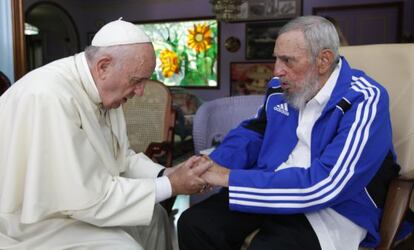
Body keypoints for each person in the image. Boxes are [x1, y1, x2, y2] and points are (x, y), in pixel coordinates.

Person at [178, 16, 401, 250]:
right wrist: (212, 164)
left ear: (324, 60)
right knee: (194, 224)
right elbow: (254, 133)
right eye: (276, 58)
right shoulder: (279, 87)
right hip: (271, 184)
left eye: (287, 61)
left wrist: (227, 177)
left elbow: (327, 184)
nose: (276, 71)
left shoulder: (364, 98)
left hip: (334, 206)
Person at [0, 19, 211, 250]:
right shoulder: (49, 97)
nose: (141, 92)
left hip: (76, 206)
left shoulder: (103, 92)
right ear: (103, 66)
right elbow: (86, 197)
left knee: (156, 217)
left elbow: (120, 157)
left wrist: (168, 172)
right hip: (32, 223)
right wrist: (171, 185)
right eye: (137, 81)